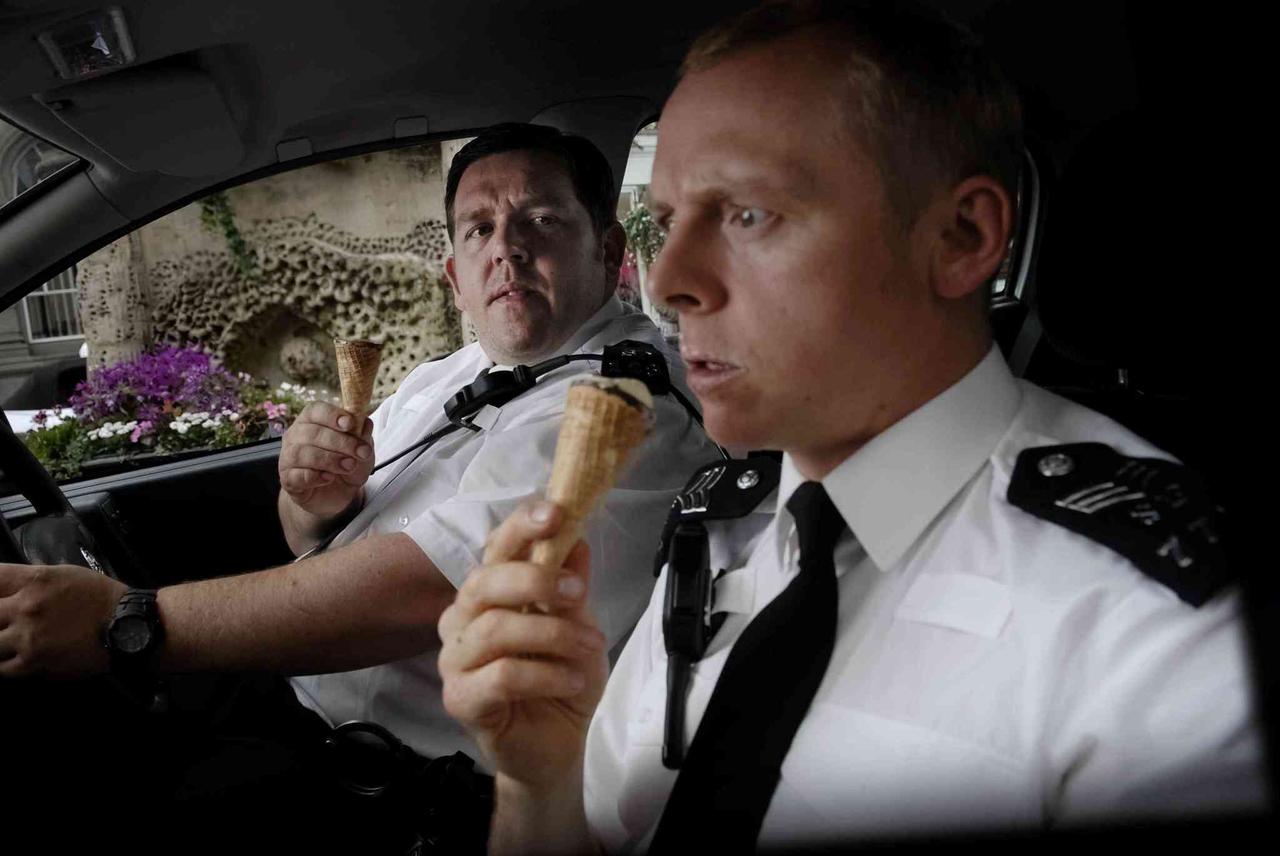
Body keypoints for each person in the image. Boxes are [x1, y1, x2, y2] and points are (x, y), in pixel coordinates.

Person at [436, 3, 1266, 852]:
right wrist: (538, 784)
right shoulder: (713, 532)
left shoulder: (1156, 631)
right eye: (671, 222)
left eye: (749, 213)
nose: (671, 280)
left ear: (961, 236)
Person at [0, 123, 717, 848]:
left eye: (540, 219)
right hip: (296, 720)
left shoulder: (623, 409)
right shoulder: (446, 376)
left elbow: (420, 592)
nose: (506, 247)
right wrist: (312, 502)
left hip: (415, 802)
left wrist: (129, 622)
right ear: (455, 278)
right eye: (479, 228)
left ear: (609, 251)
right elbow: (313, 540)